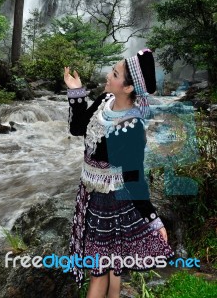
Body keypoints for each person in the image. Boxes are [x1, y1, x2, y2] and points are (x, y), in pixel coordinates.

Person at [64, 49, 174, 298]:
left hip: (111, 203)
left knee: (101, 273)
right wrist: (76, 91)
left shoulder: (131, 128)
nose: (107, 75)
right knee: (111, 268)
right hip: (91, 195)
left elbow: (134, 179)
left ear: (128, 88)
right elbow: (77, 127)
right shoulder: (105, 102)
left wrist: (152, 218)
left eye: (114, 73)